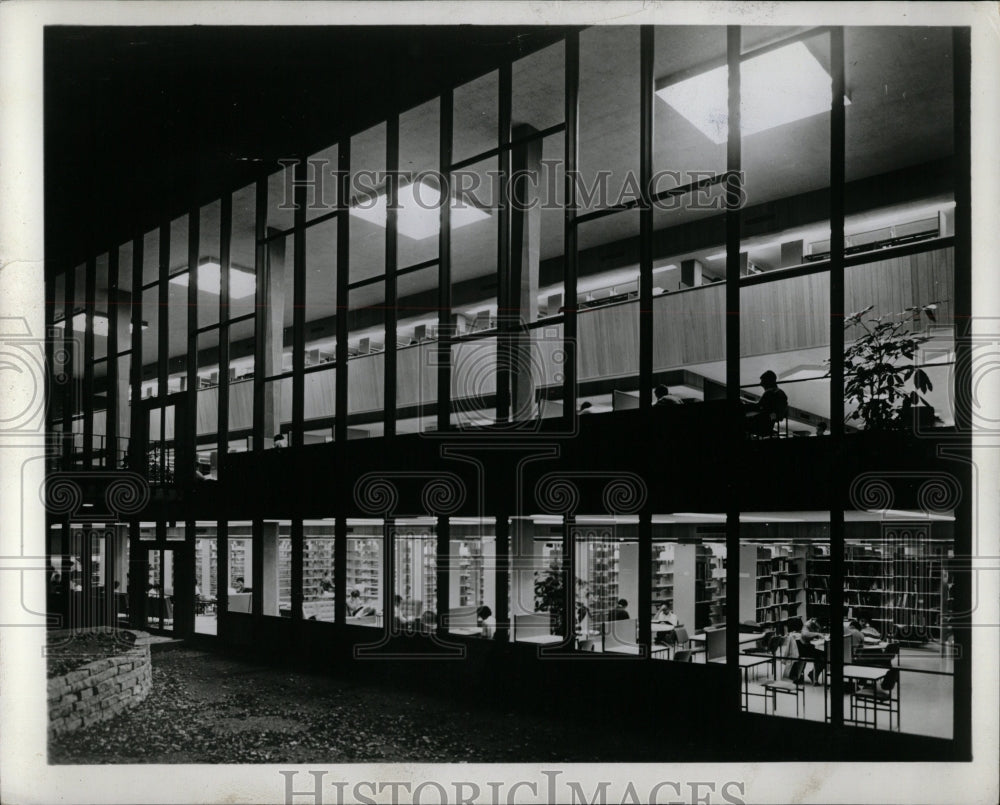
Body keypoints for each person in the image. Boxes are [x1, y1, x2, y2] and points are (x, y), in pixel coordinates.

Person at [744, 370, 788, 437]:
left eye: (763, 381)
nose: (761, 384)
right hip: (768, 425)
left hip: (761, 426)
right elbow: (763, 406)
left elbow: (759, 407)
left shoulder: (770, 393)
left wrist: (744, 406)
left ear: (768, 381)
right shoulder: (779, 393)